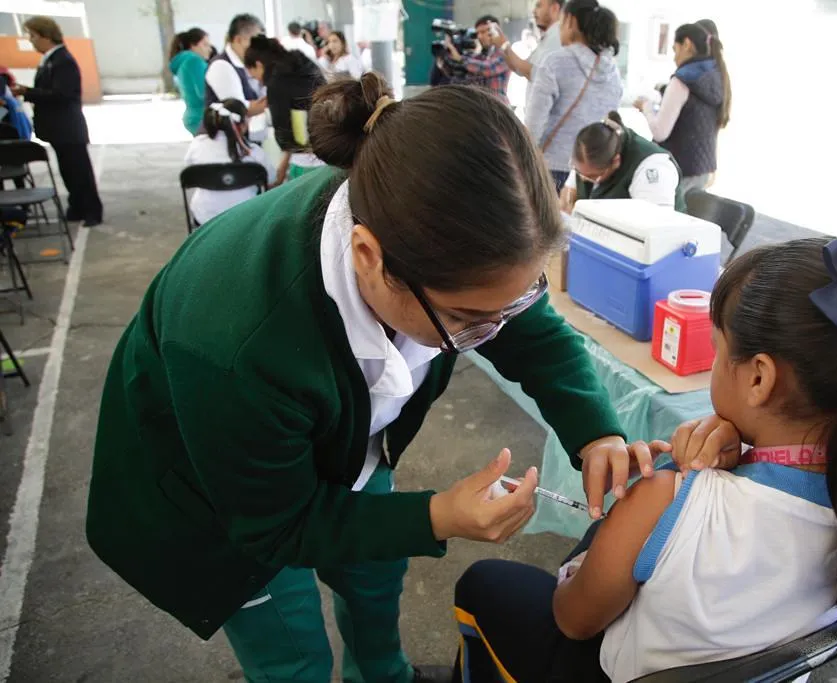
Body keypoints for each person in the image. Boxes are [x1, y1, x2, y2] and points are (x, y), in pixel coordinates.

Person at [87, 72, 662, 683]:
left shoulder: (446, 246)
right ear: (368, 257)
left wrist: (596, 432)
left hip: (326, 438)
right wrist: (436, 516)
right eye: (467, 320)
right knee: (291, 648)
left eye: (507, 307)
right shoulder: (235, 345)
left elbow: (531, 332)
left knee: (376, 575)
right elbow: (278, 527)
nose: (491, 334)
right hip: (212, 497)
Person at [452, 230, 837, 682]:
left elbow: (573, 618)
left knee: (484, 583)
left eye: (719, 350)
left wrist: (612, 530)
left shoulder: (664, 495)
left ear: (760, 378)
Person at [525, 0, 623, 192]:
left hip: (550, 167)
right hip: (592, 171)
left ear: (570, 21)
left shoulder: (556, 62)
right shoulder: (612, 71)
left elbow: (533, 125)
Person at [13, 16, 103, 226]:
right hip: (57, 129)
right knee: (68, 170)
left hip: (68, 128)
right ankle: (77, 206)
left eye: (34, 36)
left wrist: (28, 92)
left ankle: (91, 210)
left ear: (46, 36)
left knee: (80, 171)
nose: (31, 40)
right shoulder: (50, 59)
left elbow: (62, 94)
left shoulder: (63, 60)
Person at [634, 22, 731, 197]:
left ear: (686, 44)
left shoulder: (682, 79)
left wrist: (646, 107)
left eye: (674, 49)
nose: (674, 57)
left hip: (678, 169)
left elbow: (660, 132)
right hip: (702, 169)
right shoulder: (717, 75)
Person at [560, 111, 685, 213]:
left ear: (616, 161)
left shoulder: (652, 167)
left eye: (593, 177)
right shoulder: (587, 156)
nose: (583, 179)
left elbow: (654, 226)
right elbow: (567, 197)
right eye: (578, 172)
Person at [244, 35, 327, 184]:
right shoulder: (304, 66)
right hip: (330, 152)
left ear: (258, 65)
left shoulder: (276, 84)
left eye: (253, 75)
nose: (256, 80)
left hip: (306, 165)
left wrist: (282, 169)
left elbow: (288, 134)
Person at [183, 100, 275, 226]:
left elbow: (190, 171)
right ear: (242, 124)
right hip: (247, 218)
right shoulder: (254, 153)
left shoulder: (197, 145)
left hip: (205, 217)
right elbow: (271, 180)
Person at [491, 0, 564, 109]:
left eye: (539, 6)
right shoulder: (548, 37)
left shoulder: (558, 36)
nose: (534, 11)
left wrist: (505, 46)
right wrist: (502, 47)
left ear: (554, 8)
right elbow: (520, 69)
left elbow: (535, 74)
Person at [205, 13, 266, 118]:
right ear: (238, 40)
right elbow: (240, 109)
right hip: (222, 134)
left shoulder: (247, 63)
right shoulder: (221, 66)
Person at [442, 15, 511, 104]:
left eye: (483, 32)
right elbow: (459, 75)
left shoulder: (504, 52)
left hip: (497, 108)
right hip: (479, 108)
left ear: (496, 31)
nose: (479, 37)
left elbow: (488, 68)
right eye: (477, 33)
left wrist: (460, 58)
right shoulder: (479, 57)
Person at [169, 28, 213, 135]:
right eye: (205, 44)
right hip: (201, 117)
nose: (210, 49)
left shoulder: (185, 61)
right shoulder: (195, 61)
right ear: (193, 46)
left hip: (194, 115)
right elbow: (204, 92)